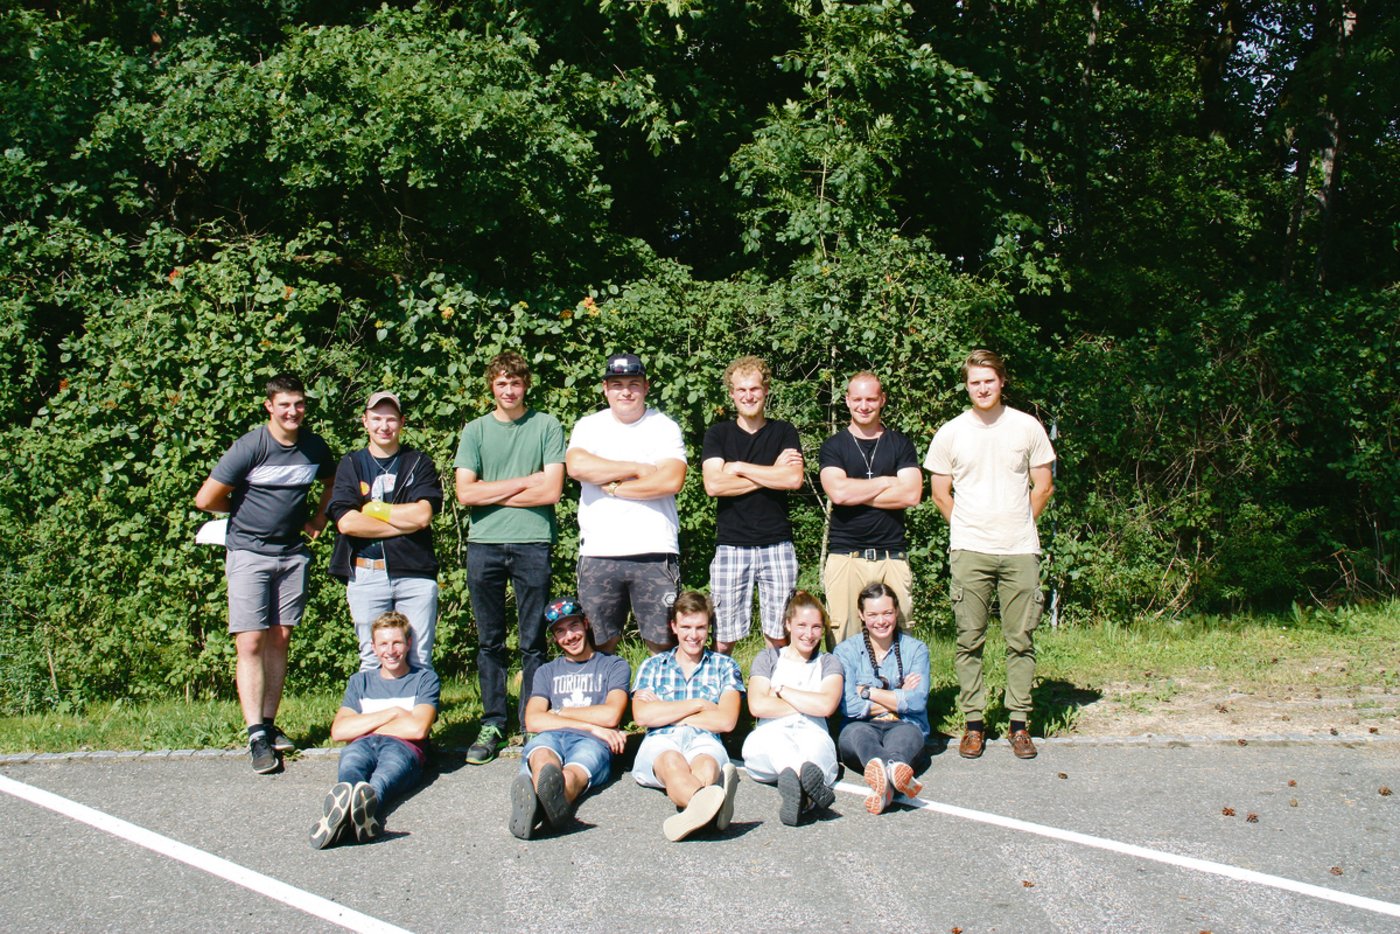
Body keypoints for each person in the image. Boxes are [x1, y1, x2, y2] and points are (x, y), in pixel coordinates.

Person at [195, 372, 336, 774]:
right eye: (284, 404)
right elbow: (206, 499)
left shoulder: (313, 447)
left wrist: (318, 519)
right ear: (269, 406)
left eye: (299, 404)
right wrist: (245, 511)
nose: (293, 411)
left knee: (280, 638)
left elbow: (333, 483)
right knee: (250, 640)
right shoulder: (251, 446)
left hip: (291, 554)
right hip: (249, 553)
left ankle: (270, 725)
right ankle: (255, 733)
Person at [925, 349, 1055, 761]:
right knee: (969, 640)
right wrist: (968, 529)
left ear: (1002, 381)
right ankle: (974, 724)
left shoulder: (1027, 427)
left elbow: (1043, 486)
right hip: (970, 552)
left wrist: (1018, 524)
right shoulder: (951, 432)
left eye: (989, 381)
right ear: (967, 386)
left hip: (1020, 550)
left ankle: (1019, 724)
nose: (982, 388)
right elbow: (939, 493)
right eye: (975, 382)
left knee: (1021, 640)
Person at [455, 352, 566, 765]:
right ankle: (493, 722)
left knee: (533, 640)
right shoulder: (476, 430)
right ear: (492, 386)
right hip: (484, 543)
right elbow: (466, 493)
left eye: (515, 383)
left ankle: (531, 720)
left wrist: (492, 490)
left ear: (525, 385)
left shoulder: (546, 425)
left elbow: (551, 491)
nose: (508, 390)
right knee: (490, 641)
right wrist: (525, 482)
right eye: (501, 383)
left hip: (532, 541)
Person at [566, 353, 687, 655]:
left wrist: (614, 487)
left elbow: (670, 481)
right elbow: (577, 466)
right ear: (605, 389)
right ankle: (607, 690)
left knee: (663, 643)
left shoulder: (664, 427)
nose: (626, 392)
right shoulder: (588, 426)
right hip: (599, 551)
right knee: (598, 644)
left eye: (633, 383)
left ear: (646, 387)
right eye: (617, 384)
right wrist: (637, 468)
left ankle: (662, 689)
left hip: (655, 550)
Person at [327, 390, 443, 672]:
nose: (384, 426)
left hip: (415, 572)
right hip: (367, 572)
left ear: (402, 422)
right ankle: (375, 703)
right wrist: (403, 523)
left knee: (418, 658)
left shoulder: (419, 463)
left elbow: (422, 515)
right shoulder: (351, 464)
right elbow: (347, 523)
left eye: (390, 419)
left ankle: (417, 704)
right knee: (372, 659)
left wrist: (374, 510)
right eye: (377, 419)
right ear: (365, 421)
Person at [309, 611, 440, 848]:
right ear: (373, 647)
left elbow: (418, 729)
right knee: (351, 769)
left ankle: (356, 814)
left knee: (383, 779)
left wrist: (364, 724)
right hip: (361, 745)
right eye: (383, 644)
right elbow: (339, 731)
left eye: (397, 642)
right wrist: (394, 712)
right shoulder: (360, 681)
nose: (390, 651)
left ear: (408, 643)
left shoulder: (424, 679)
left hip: (404, 749)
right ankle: (353, 811)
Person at [702, 355, 804, 654]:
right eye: (742, 390)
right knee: (724, 636)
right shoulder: (718, 434)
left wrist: (738, 467)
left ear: (766, 390)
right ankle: (723, 684)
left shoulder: (784, 431)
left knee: (780, 634)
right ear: (732, 394)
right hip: (731, 545)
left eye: (755, 389)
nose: (748, 396)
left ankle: (774, 683)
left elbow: (793, 479)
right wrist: (772, 472)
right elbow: (714, 485)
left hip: (777, 544)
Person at [509, 597, 630, 839]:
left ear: (585, 623)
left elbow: (611, 714)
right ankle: (548, 806)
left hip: (592, 743)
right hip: (556, 737)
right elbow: (533, 720)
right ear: (555, 638)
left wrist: (558, 712)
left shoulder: (614, 665)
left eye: (573, 626)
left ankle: (538, 807)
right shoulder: (546, 671)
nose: (569, 636)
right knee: (543, 759)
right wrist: (592, 726)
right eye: (560, 631)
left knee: (573, 774)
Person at [819, 371, 922, 646]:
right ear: (847, 400)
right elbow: (838, 493)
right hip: (846, 556)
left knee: (900, 637)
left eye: (871, 399)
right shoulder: (834, 446)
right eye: (857, 399)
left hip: (892, 555)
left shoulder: (900, 444)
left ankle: (895, 678)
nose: (864, 406)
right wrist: (887, 482)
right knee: (842, 639)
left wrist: (855, 492)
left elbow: (911, 494)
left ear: (882, 400)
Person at [631, 591, 744, 841]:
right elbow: (643, 716)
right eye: (686, 627)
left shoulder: (724, 666)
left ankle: (698, 812)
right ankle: (709, 808)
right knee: (672, 761)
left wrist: (667, 711)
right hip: (661, 740)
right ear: (674, 626)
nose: (693, 635)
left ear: (708, 627)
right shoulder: (653, 666)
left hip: (705, 739)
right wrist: (699, 704)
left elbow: (726, 721)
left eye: (700, 627)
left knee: (707, 764)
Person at [740, 591, 843, 826]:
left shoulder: (829, 662)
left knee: (813, 756)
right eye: (802, 625)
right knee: (780, 746)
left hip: (813, 733)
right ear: (788, 624)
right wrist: (809, 703)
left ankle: (800, 796)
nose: (809, 634)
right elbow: (757, 705)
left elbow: (826, 705)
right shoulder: (768, 658)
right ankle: (808, 789)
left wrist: (782, 690)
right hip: (771, 735)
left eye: (816, 627)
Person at [833, 583, 930, 815]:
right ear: (861, 615)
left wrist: (868, 691)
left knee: (905, 738)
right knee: (859, 737)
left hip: (904, 724)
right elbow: (849, 707)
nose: (881, 621)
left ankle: (885, 786)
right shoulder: (845, 651)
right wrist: (898, 697)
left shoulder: (916, 650)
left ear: (896, 611)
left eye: (887, 613)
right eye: (873, 614)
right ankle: (894, 772)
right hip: (860, 725)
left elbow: (917, 701)